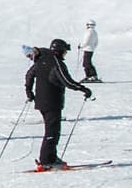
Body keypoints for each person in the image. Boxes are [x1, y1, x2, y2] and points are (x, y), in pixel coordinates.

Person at [25, 39, 93, 170]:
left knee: (52, 131)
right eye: (65, 52)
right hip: (52, 102)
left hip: (42, 101)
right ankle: (46, 160)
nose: (65, 54)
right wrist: (83, 89)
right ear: (60, 51)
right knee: (52, 132)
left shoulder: (41, 60)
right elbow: (67, 81)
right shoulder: (57, 63)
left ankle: (51, 157)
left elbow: (29, 74)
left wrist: (29, 91)